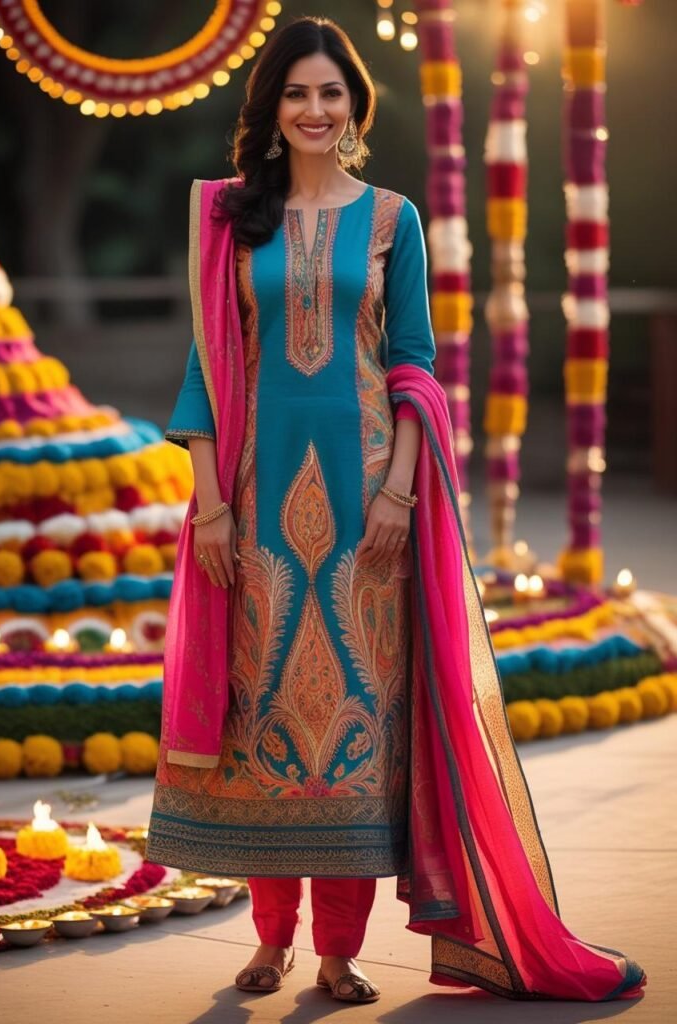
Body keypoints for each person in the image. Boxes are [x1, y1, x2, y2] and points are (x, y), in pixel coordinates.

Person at [146, 15, 646, 1006]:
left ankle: (336, 950)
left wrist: (401, 489)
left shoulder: (391, 220)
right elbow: (207, 369)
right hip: (250, 505)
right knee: (265, 716)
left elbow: (414, 362)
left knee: (355, 727)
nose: (316, 109)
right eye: (297, 93)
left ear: (355, 105)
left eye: (333, 93)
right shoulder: (225, 219)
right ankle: (271, 936)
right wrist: (206, 504)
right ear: (271, 108)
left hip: (370, 503)